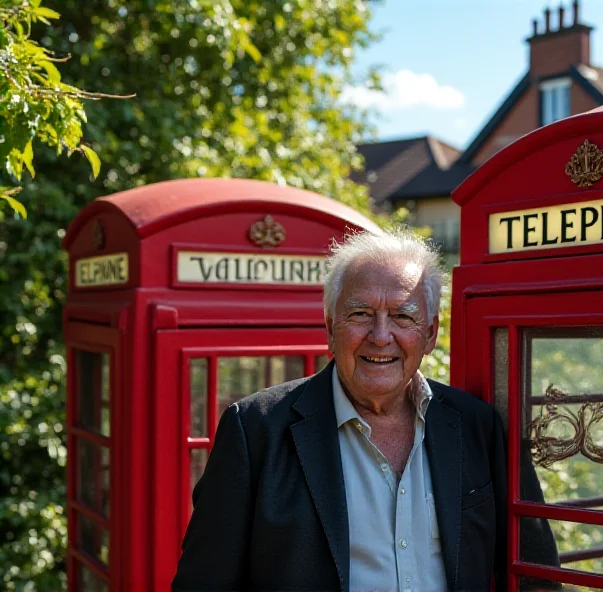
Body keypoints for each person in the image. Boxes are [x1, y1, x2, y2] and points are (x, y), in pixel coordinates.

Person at [172, 229, 558, 591]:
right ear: (330, 327)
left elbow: (536, 569)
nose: (380, 336)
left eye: (403, 316)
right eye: (359, 314)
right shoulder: (255, 430)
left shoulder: (478, 425)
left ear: (430, 334)